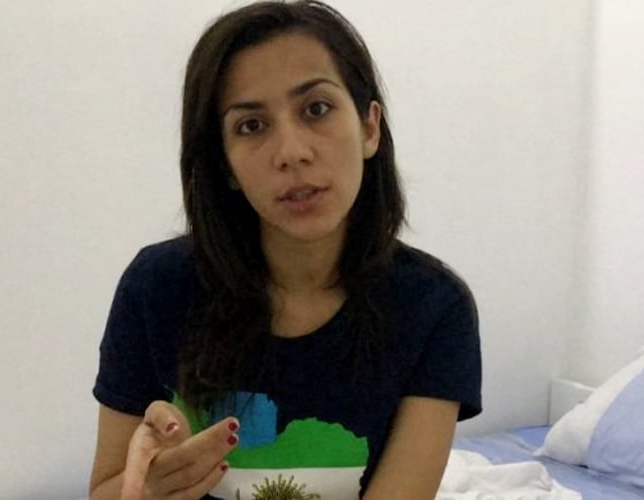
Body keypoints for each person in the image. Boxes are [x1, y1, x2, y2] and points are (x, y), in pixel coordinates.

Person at [89, 1, 481, 499]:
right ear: (226, 165)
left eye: (316, 109)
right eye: (251, 126)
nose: (292, 152)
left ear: (369, 127)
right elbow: (105, 490)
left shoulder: (433, 308)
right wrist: (148, 490)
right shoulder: (157, 287)